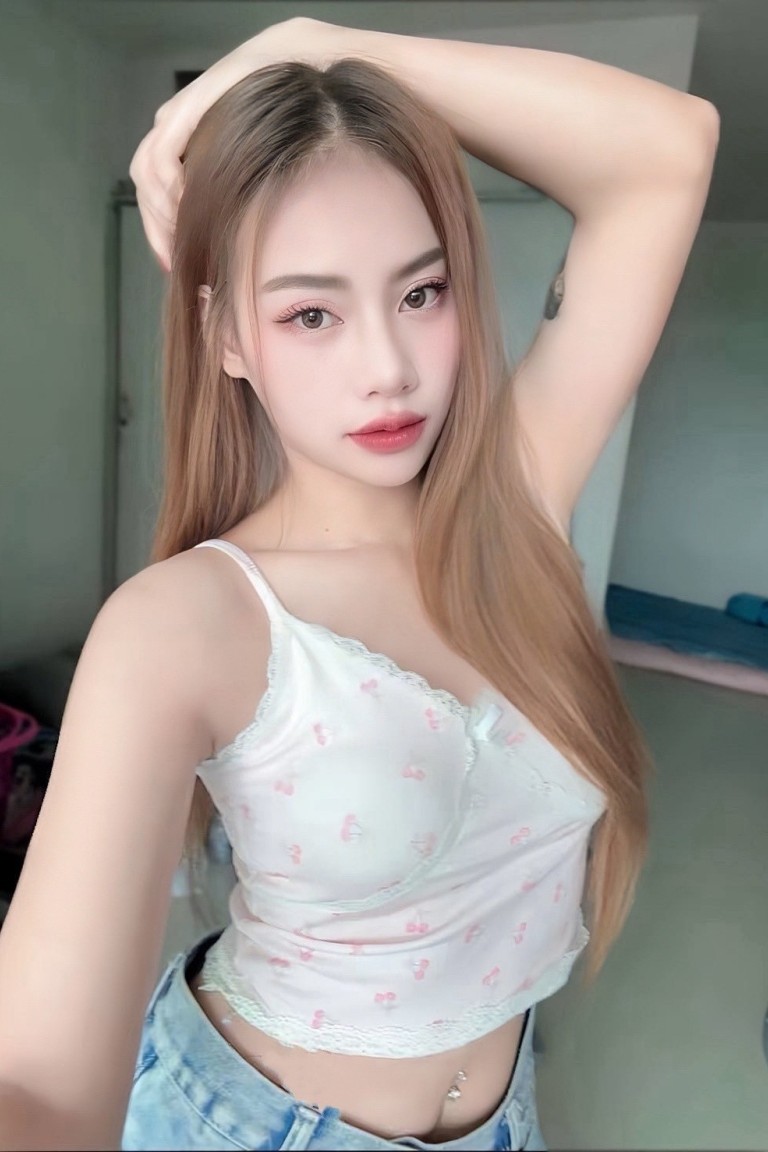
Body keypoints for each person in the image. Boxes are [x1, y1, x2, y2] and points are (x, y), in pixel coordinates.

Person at [0, 15, 718, 1152]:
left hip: (507, 1122)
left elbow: (667, 153)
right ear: (226, 337)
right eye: (311, 313)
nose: (388, 368)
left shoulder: (516, 504)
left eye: (421, 294)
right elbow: (37, 1083)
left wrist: (313, 40)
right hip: (243, 1127)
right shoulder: (188, 623)